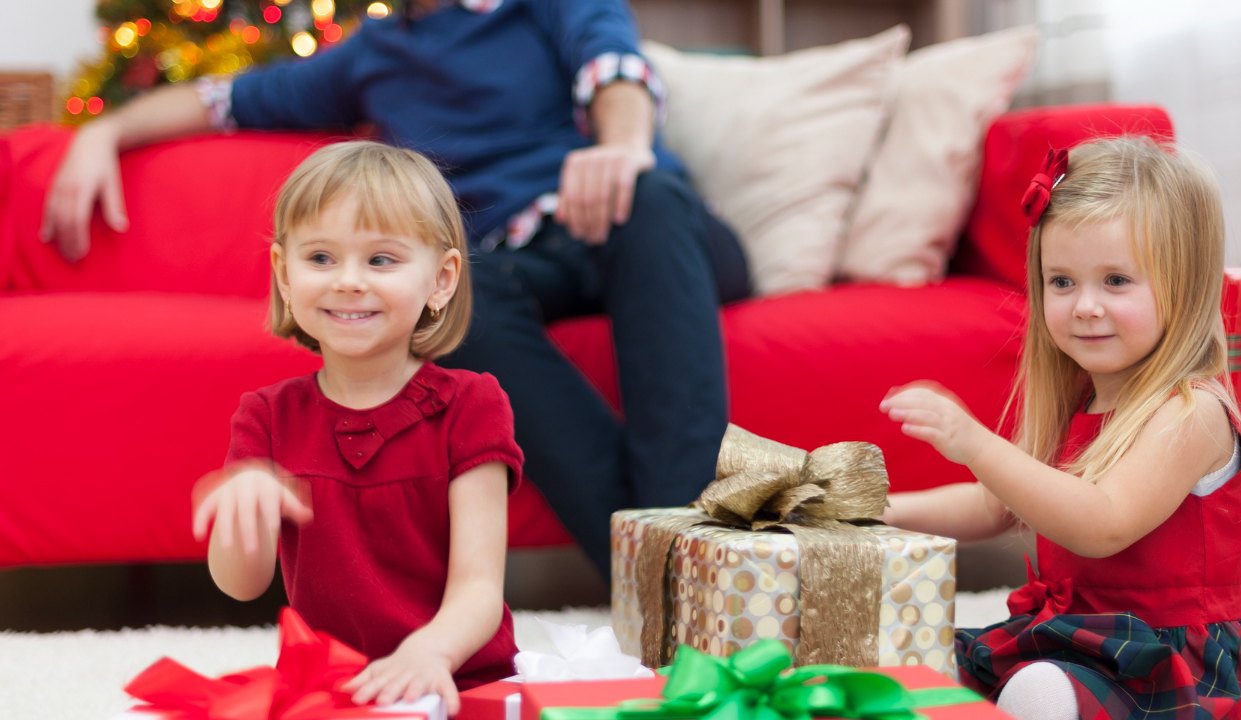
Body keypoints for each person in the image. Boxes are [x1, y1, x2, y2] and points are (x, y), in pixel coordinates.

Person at [42, 0, 750, 578]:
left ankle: (683, 549)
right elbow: (221, 101)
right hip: (515, 259)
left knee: (651, 200)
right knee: (451, 302)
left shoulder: (547, 6)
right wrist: (102, 134)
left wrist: (620, 148)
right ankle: (667, 571)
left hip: (638, 226)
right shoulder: (372, 52)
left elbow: (615, 70)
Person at [879, 137, 1241, 720]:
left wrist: (974, 443)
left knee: (1040, 691)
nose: (1084, 305)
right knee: (919, 668)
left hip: (1169, 665)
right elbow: (995, 505)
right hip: (1074, 639)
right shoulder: (1076, 400)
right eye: (1061, 282)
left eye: (1116, 280)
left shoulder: (1190, 412)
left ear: (1185, 286)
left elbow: (1103, 525)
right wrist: (883, 511)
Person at [191, 141, 522, 713]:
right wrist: (240, 512)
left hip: (456, 682)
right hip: (329, 691)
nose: (348, 281)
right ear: (284, 274)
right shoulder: (266, 415)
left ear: (441, 280)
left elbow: (479, 589)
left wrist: (430, 654)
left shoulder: (473, 404)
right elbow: (240, 585)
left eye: (381, 260)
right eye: (320, 258)